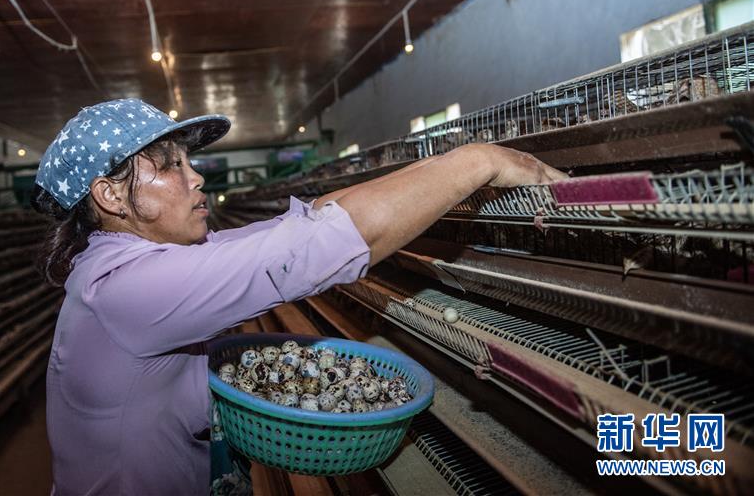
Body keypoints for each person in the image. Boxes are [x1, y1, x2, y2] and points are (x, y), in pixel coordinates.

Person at [32, 98, 567, 495]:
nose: (196, 177)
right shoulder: (129, 289)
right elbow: (315, 248)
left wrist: (440, 167)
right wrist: (476, 163)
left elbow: (306, 220)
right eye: (170, 164)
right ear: (108, 195)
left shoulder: (138, 259)